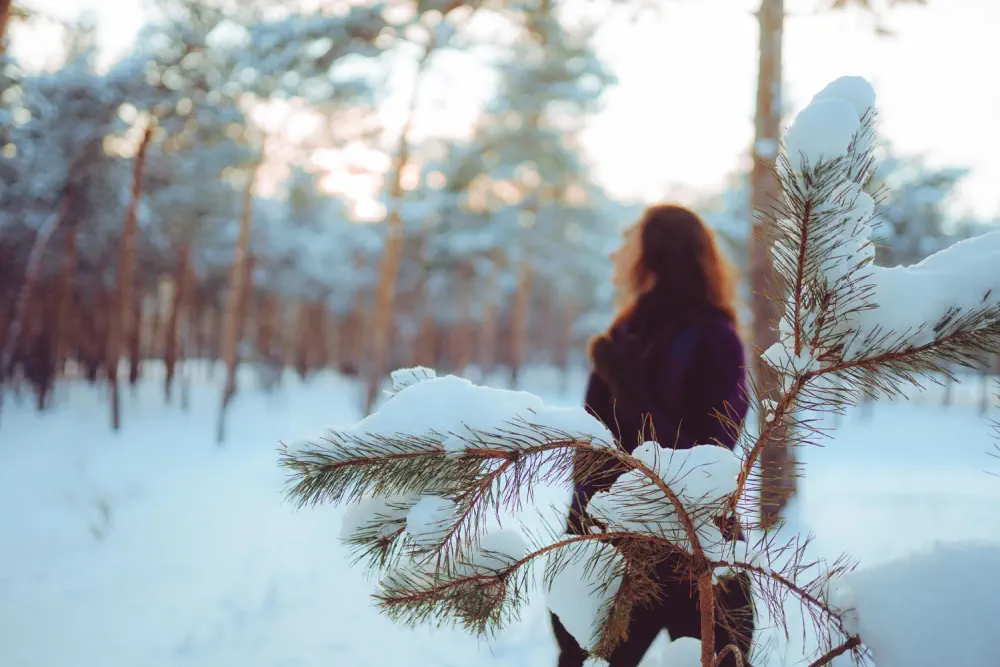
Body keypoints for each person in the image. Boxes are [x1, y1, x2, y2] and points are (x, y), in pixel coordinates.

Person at [551, 204, 754, 667]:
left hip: (695, 549)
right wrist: (579, 548)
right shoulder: (625, 333)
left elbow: (710, 454)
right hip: (617, 550)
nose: (616, 251)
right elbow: (593, 454)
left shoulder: (714, 339)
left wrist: (629, 388)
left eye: (629, 239)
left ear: (653, 253)